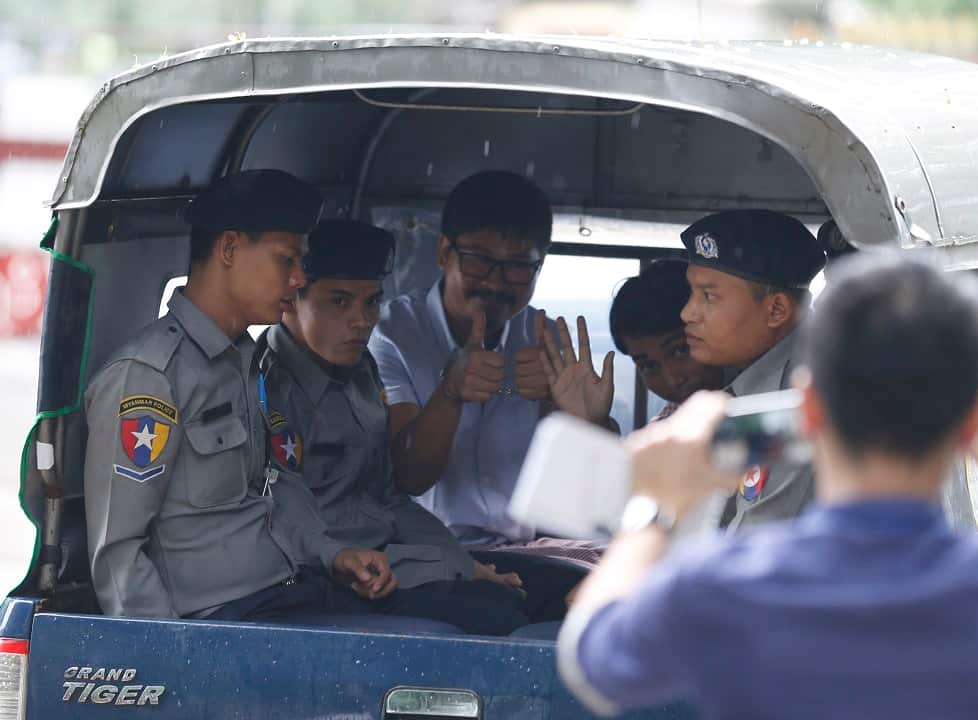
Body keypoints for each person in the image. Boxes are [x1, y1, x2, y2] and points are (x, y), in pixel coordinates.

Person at [559, 254, 978, 719]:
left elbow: (592, 661)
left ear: (808, 409)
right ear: (972, 422)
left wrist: (659, 505)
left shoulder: (730, 584)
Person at [84, 170, 447, 630]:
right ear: (230, 248)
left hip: (289, 593)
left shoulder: (245, 362)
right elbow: (118, 555)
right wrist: (170, 659)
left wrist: (334, 555)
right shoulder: (150, 377)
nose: (298, 279)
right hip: (226, 621)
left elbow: (276, 487)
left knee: (455, 626)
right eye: (286, 259)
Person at [255, 218, 531, 634]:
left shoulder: (360, 371)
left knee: (523, 601)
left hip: (384, 561)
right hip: (327, 579)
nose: (363, 321)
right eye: (340, 302)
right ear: (292, 297)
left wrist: (461, 564)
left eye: (372, 302)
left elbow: (388, 496)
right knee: (499, 624)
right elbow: (288, 529)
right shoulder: (263, 389)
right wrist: (450, 568)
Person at [369, 170, 613, 612]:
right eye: (480, 260)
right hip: (435, 557)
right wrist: (451, 392)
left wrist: (576, 417)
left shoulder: (545, 340)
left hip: (541, 555)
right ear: (445, 252)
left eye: (519, 266)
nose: (497, 282)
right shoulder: (392, 335)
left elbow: (592, 495)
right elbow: (409, 475)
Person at [680, 209, 826, 527]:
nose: (687, 313)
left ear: (775, 310)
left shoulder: (801, 398)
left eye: (708, 296)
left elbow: (753, 546)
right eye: (691, 294)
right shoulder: (761, 378)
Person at [609, 253, 722, 420]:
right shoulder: (664, 427)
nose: (673, 380)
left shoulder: (769, 401)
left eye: (681, 350)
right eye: (648, 366)